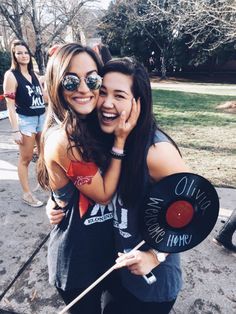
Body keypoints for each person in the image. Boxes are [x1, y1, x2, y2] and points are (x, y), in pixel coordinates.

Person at [47, 57, 190, 314]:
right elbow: (75, 176)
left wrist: (155, 256)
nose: (106, 103)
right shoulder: (103, 138)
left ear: (138, 103)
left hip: (150, 287)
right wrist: (57, 200)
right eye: (102, 91)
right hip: (116, 275)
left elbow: (195, 212)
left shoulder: (156, 152)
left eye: (120, 95)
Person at [37, 43, 139, 314]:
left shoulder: (92, 123)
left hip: (108, 253)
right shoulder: (63, 139)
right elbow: (104, 193)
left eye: (92, 79)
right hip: (77, 264)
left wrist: (55, 199)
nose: (83, 88)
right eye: (71, 80)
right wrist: (119, 143)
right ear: (56, 84)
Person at [3, 39, 46, 207]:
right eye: (19, 52)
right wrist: (15, 130)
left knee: (44, 154)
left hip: (41, 118)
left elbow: (44, 98)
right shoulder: (11, 75)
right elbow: (10, 105)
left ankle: (45, 183)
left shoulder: (34, 74)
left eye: (26, 52)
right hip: (25, 121)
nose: (23, 55)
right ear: (14, 55)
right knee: (26, 159)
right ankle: (27, 194)